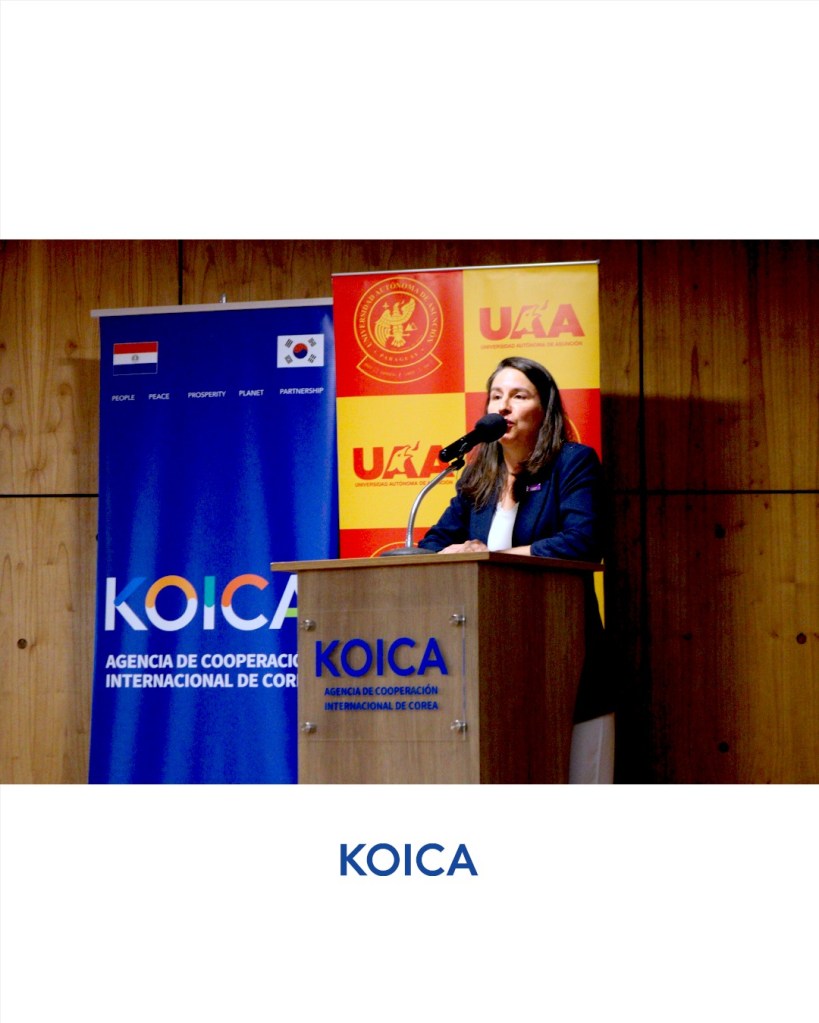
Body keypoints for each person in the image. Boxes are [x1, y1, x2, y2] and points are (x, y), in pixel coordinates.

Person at [418, 356, 615, 783]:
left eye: (519, 396)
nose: (503, 406)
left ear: (544, 409)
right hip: (491, 663)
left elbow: (583, 540)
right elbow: (431, 544)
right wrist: (454, 551)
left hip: (563, 654)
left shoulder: (572, 463)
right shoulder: (478, 477)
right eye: (496, 396)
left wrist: (493, 559)